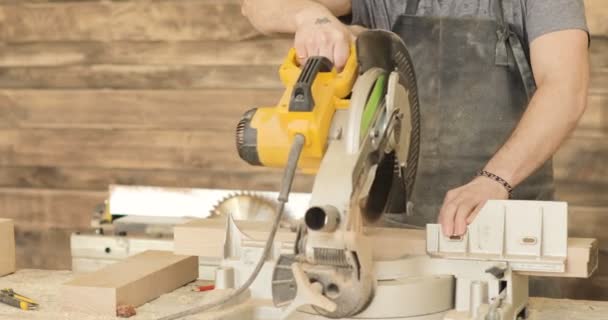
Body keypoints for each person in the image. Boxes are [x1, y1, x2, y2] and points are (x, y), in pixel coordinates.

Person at [241, 0, 589, 236]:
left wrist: (494, 180)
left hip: (506, 220)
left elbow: (566, 88)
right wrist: (312, 17)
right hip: (392, 223)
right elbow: (258, 6)